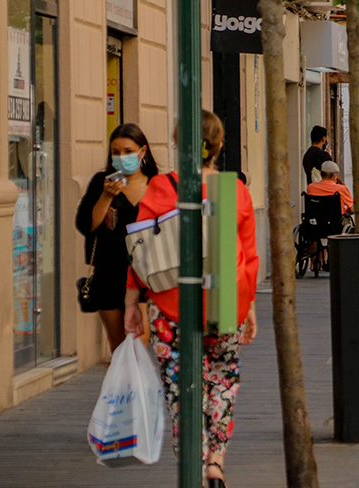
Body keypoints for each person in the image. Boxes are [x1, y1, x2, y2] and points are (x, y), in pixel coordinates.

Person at [125, 110, 258, 487]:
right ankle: (215, 459)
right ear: (218, 147)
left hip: (171, 307)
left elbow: (141, 251)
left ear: (178, 142)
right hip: (223, 302)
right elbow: (247, 257)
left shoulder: (162, 187)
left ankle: (194, 467)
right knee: (222, 379)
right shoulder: (234, 190)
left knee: (181, 389)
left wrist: (132, 303)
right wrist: (247, 309)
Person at [75, 124, 160, 352]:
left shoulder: (157, 183)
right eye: (115, 152)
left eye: (128, 151)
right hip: (109, 274)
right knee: (120, 348)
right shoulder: (102, 182)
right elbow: (86, 225)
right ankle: (122, 387)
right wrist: (105, 197)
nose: (121, 157)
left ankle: (138, 386)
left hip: (147, 276)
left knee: (138, 346)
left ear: (142, 152)